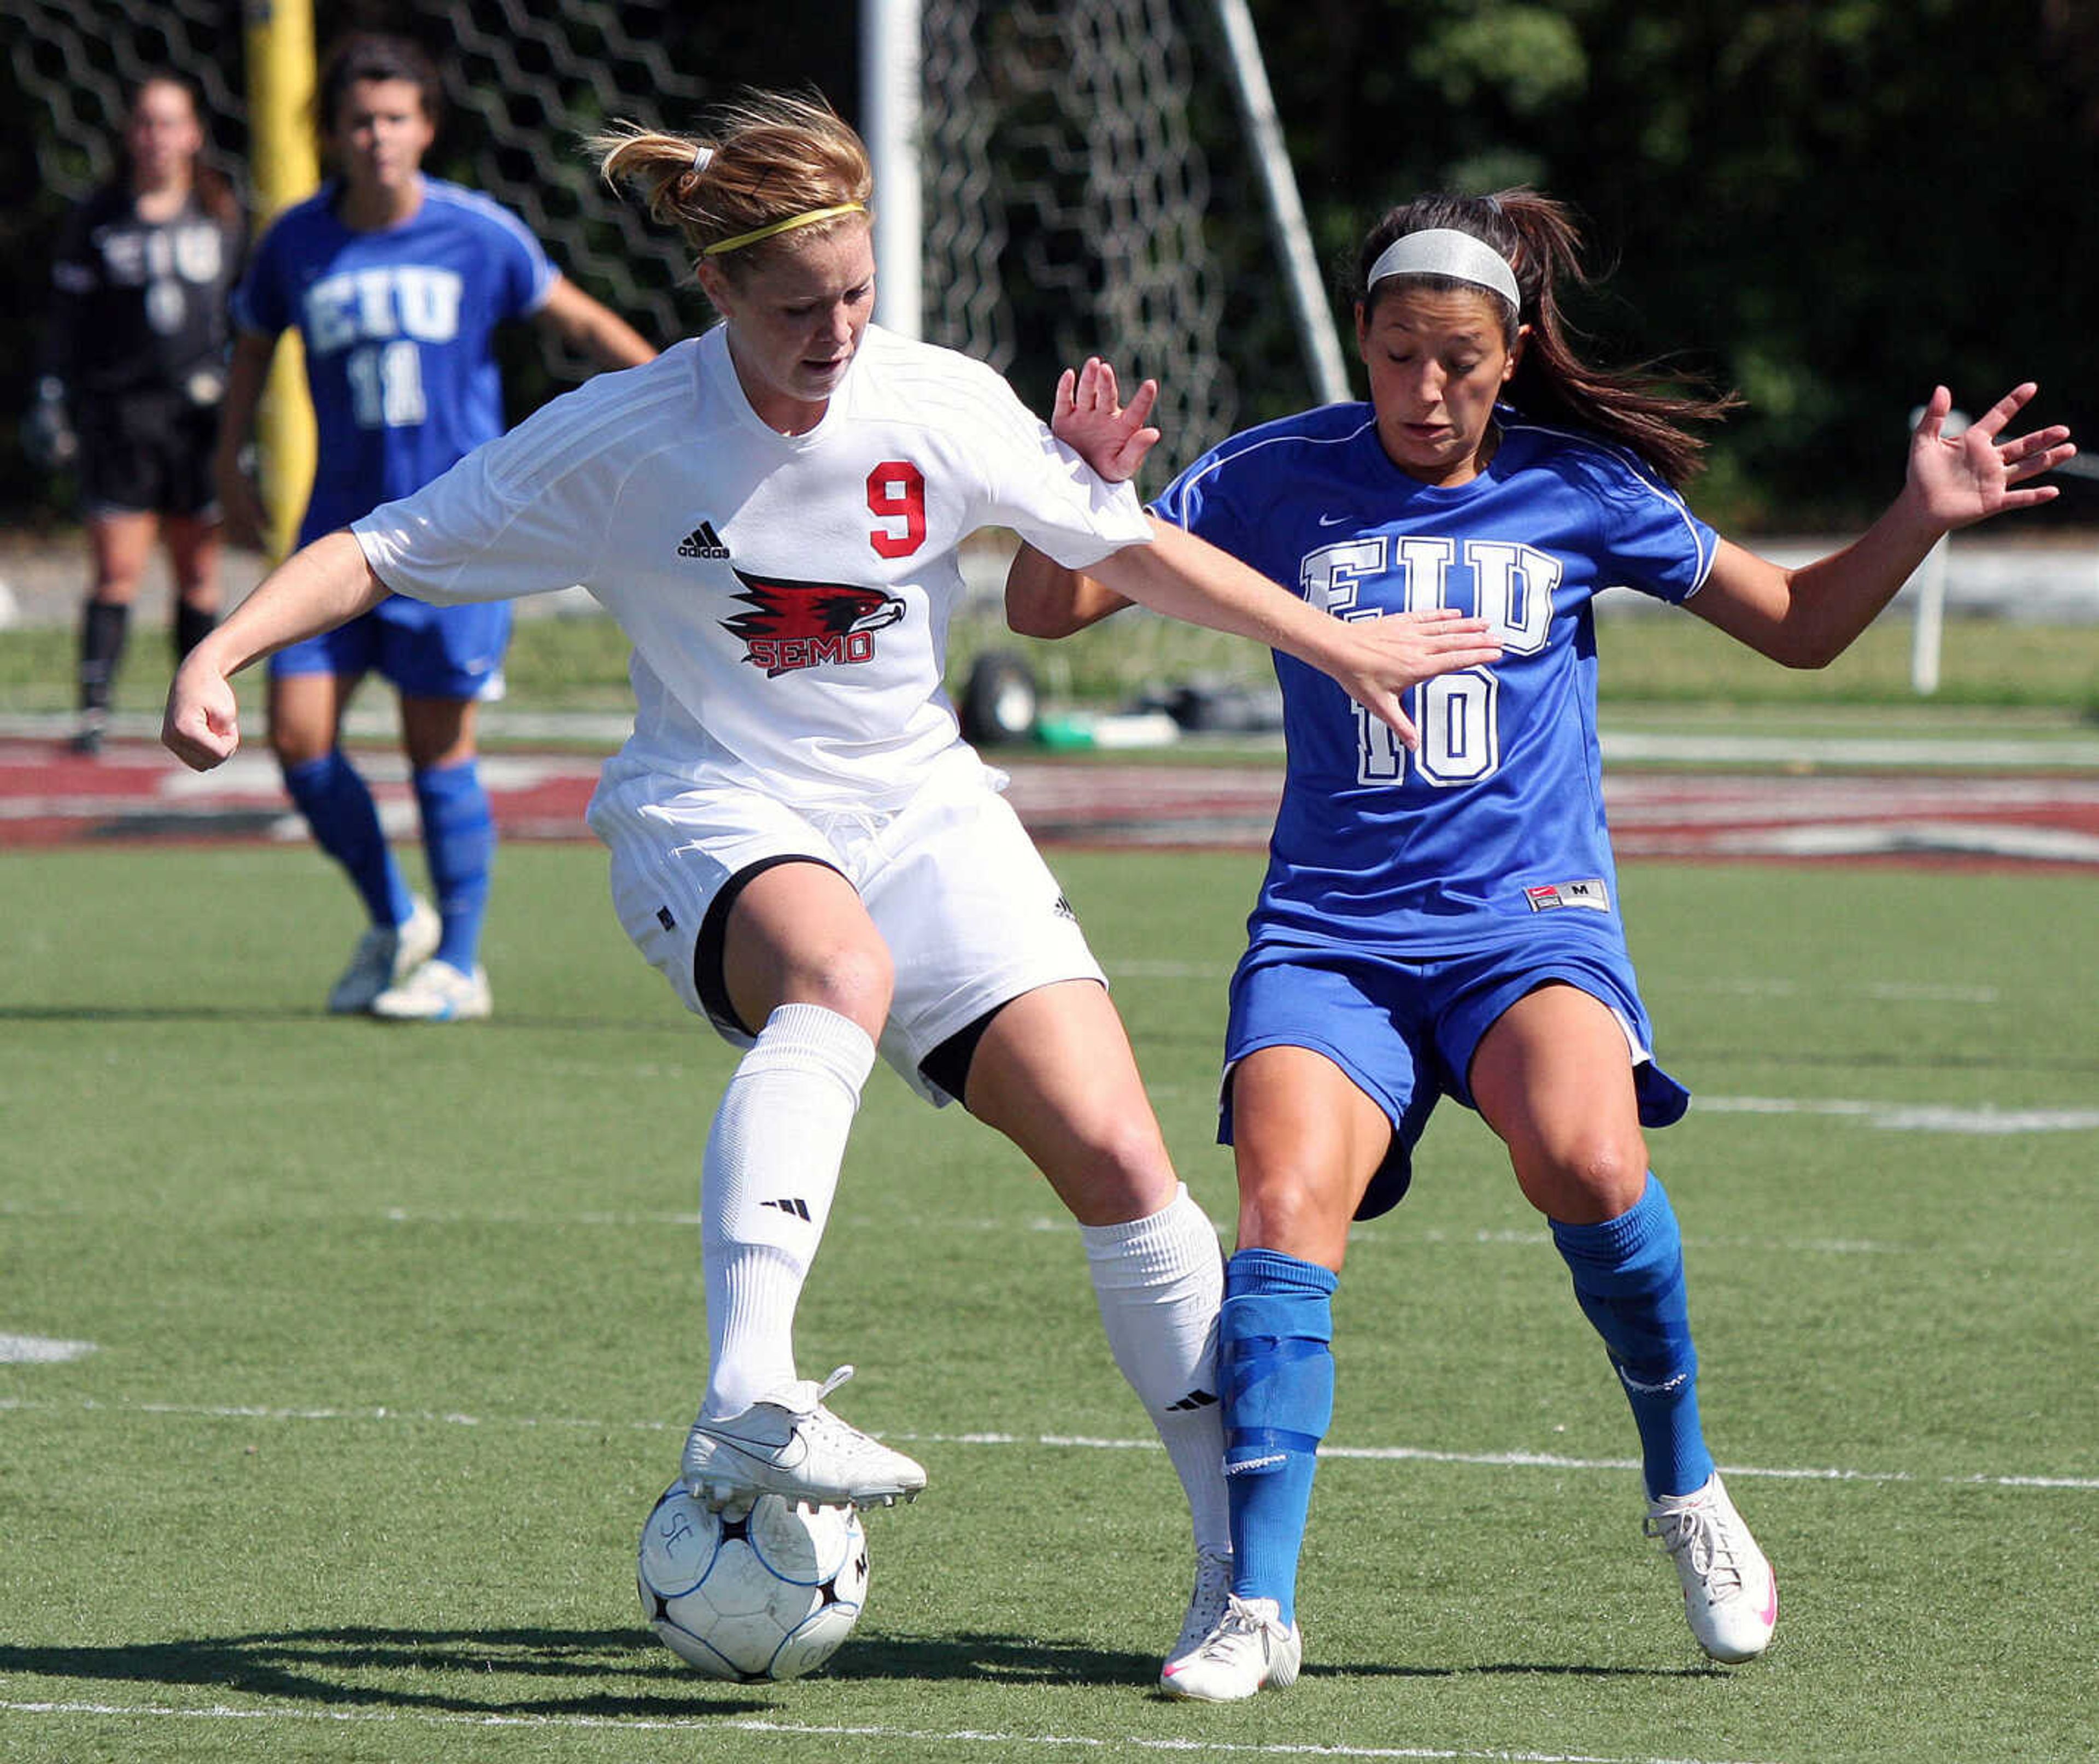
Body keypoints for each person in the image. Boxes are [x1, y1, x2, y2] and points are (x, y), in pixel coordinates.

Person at [163, 91, 1501, 1680]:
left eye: (857, 294)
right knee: (837, 973)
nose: (835, 329)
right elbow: (380, 545)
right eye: (798, 306)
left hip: (926, 811)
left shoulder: (932, 399)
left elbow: (1123, 546)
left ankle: (1236, 1591)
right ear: (718, 292)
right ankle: (751, 1377)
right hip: (712, 814)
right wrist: (221, 646)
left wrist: (1332, 638)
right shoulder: (627, 434)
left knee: (1124, 1155)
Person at [1007, 190, 2073, 1699]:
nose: (1424, 392)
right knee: (1281, 1203)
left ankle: (1687, 1485)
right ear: (1360, 346)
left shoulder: (1581, 489)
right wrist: (1080, 490)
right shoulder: (1270, 475)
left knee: (1588, 1162)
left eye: (1457, 359)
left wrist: (1915, 515)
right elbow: (1048, 611)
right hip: (1333, 934)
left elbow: (1797, 627)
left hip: (1526, 929)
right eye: (1395, 357)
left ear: (1511, 353)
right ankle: (1256, 1603)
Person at [216, 31, 656, 1023]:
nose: (378, 137)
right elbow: (250, 345)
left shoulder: (478, 233)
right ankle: (395, 916)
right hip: (336, 531)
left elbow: (575, 322)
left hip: (457, 536)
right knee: (298, 738)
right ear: (330, 130)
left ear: (426, 127)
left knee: (436, 749)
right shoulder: (297, 241)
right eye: (360, 119)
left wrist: (676, 394)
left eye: (397, 118)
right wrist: (227, 459)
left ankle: (461, 962)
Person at [28, 74, 244, 758]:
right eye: (146, 123)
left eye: (171, 122)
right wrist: (53, 394)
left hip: (199, 423)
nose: (158, 138)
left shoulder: (220, 212)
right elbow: (66, 321)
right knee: (117, 570)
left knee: (199, 573)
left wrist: (244, 411)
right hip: (122, 417)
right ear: (131, 133)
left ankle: (200, 701)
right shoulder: (99, 217)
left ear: (194, 134)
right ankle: (94, 709)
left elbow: (247, 319)